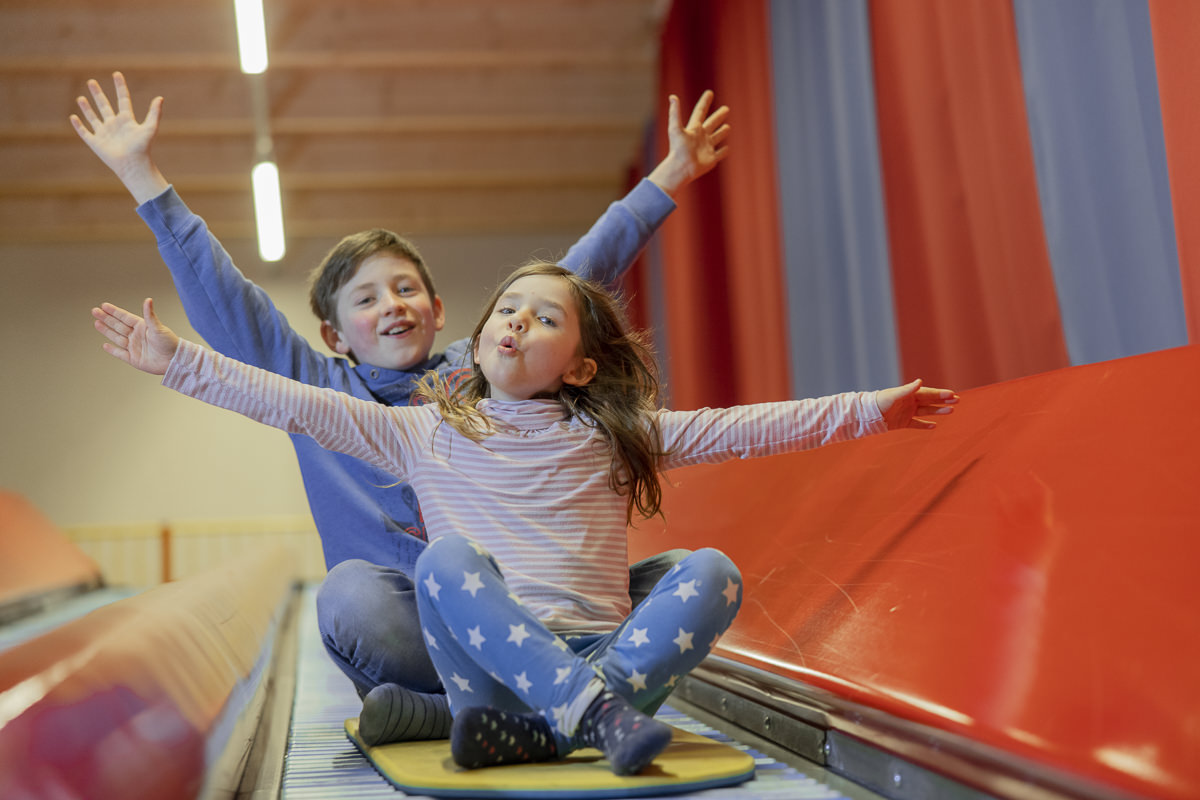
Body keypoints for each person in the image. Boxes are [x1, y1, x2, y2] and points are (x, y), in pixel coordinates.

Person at [91, 263, 957, 774]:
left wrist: (879, 408)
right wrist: (178, 363)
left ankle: (552, 725)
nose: (516, 321)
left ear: (578, 368)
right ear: (480, 334)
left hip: (602, 657)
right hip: (489, 672)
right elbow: (288, 400)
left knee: (712, 571)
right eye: (507, 308)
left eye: (543, 318)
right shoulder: (419, 433)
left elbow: (758, 425)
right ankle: (584, 715)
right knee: (444, 558)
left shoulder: (623, 437)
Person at [71, 73, 731, 744]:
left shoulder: (476, 373)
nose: (392, 305)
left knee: (680, 575)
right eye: (366, 299)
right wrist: (143, 178)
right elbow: (232, 307)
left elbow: (572, 279)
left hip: (529, 615)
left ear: (438, 311)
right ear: (334, 334)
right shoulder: (318, 387)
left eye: (407, 288)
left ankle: (493, 716)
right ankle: (555, 703)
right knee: (348, 595)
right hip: (420, 633)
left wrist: (666, 179)